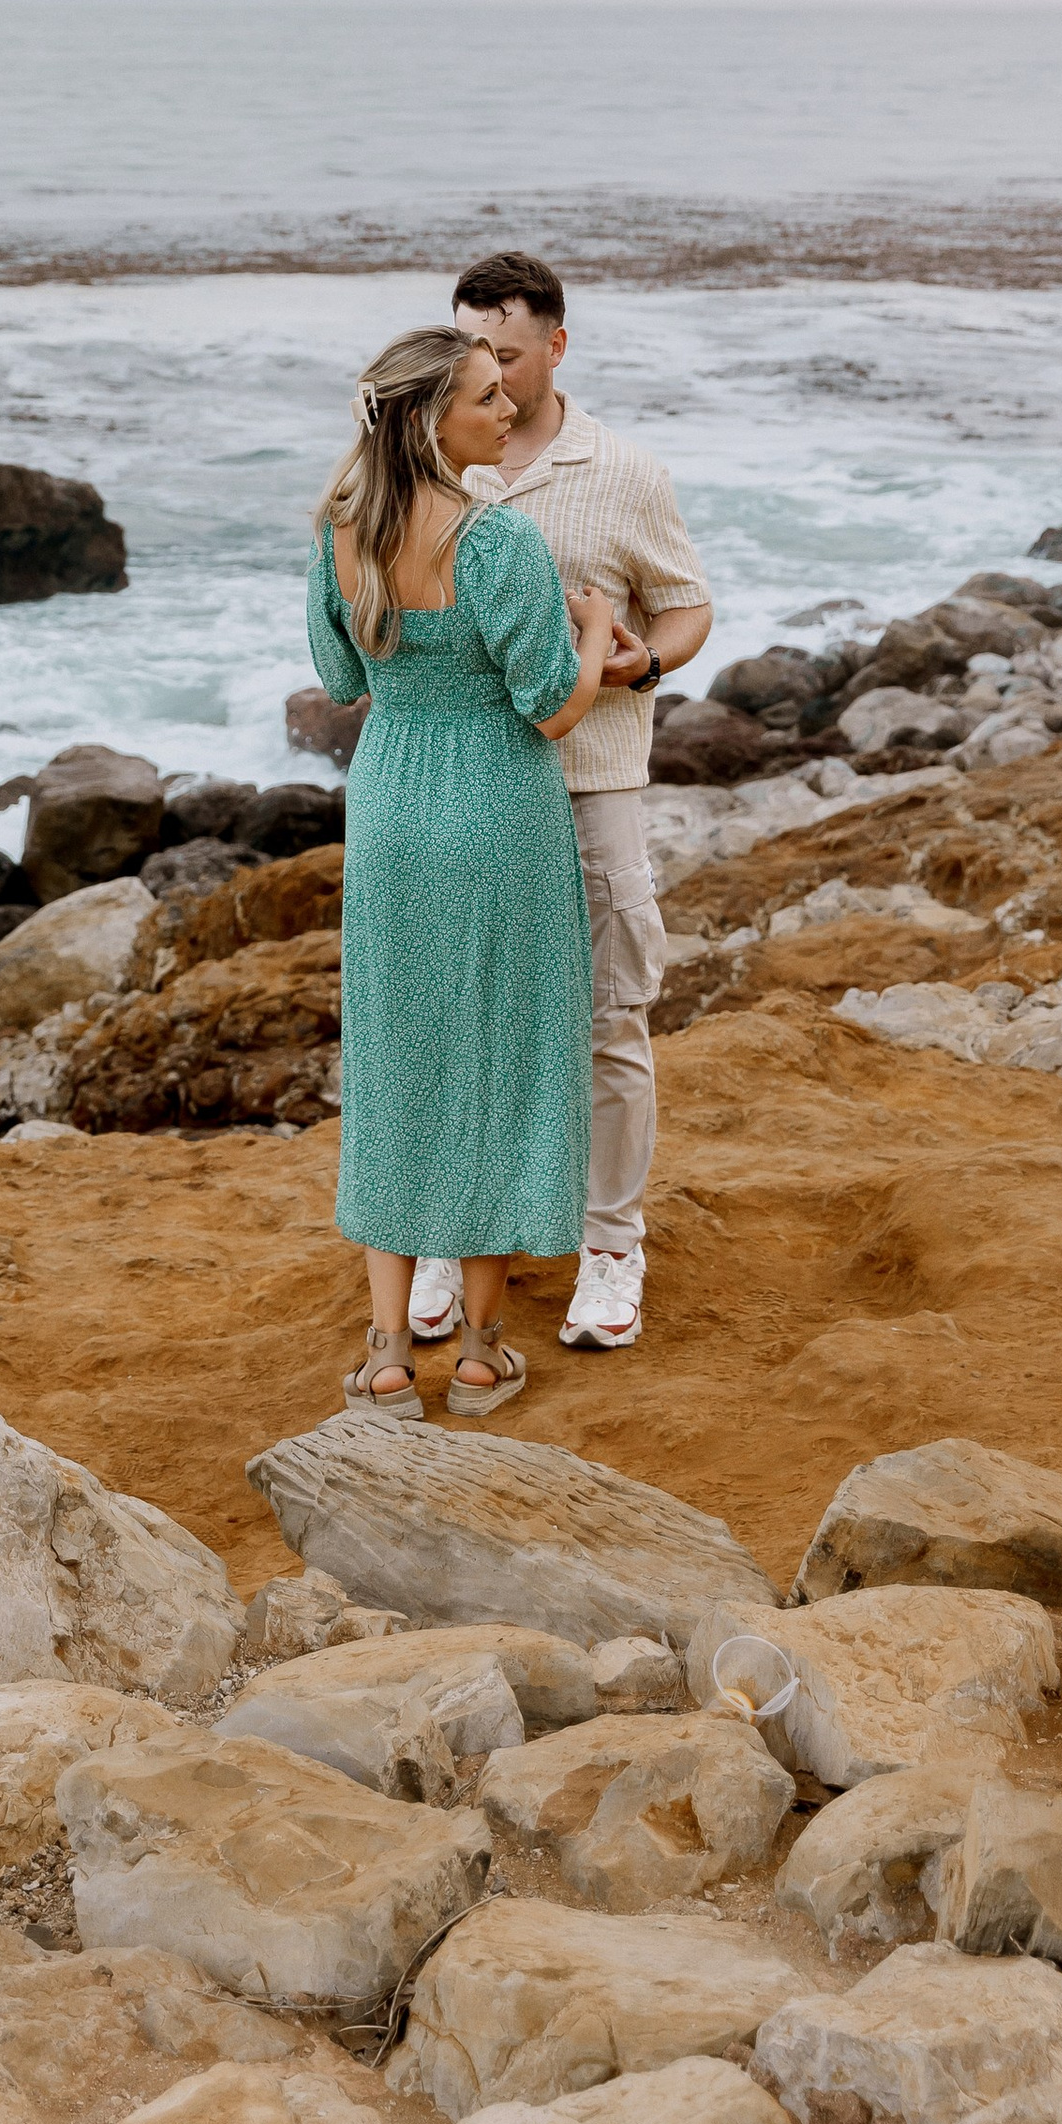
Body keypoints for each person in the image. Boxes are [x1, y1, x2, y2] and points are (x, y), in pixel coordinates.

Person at [307, 321, 622, 1422]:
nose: (506, 410)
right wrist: (593, 635)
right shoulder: (495, 543)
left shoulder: (339, 529)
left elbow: (341, 671)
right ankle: (481, 1354)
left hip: (393, 801)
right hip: (496, 810)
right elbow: (550, 706)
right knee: (508, 1058)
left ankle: (388, 1354)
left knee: (399, 1060)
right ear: (430, 418)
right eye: (487, 397)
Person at [408, 251, 713, 1361]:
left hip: (591, 779)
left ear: (556, 347)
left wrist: (641, 665)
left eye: (505, 347)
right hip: (475, 784)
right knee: (458, 1011)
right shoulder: (435, 464)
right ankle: (445, 1233)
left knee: (608, 1015)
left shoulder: (623, 470)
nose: (486, 365)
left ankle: (609, 1246)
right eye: (470, 346)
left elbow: (685, 605)